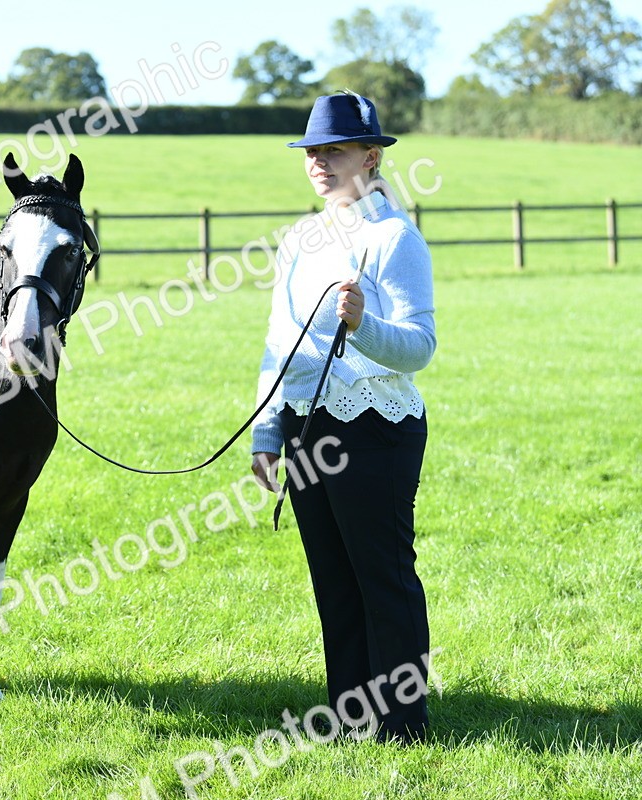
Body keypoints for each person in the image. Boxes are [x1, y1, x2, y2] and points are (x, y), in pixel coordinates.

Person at [250, 92, 436, 742]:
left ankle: (403, 724)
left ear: (371, 156)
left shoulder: (395, 239)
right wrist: (267, 431)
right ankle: (352, 713)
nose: (320, 163)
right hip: (304, 426)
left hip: (376, 427)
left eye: (334, 150)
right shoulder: (300, 241)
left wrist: (363, 326)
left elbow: (419, 348)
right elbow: (280, 342)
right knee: (334, 579)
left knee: (381, 577)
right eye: (312, 152)